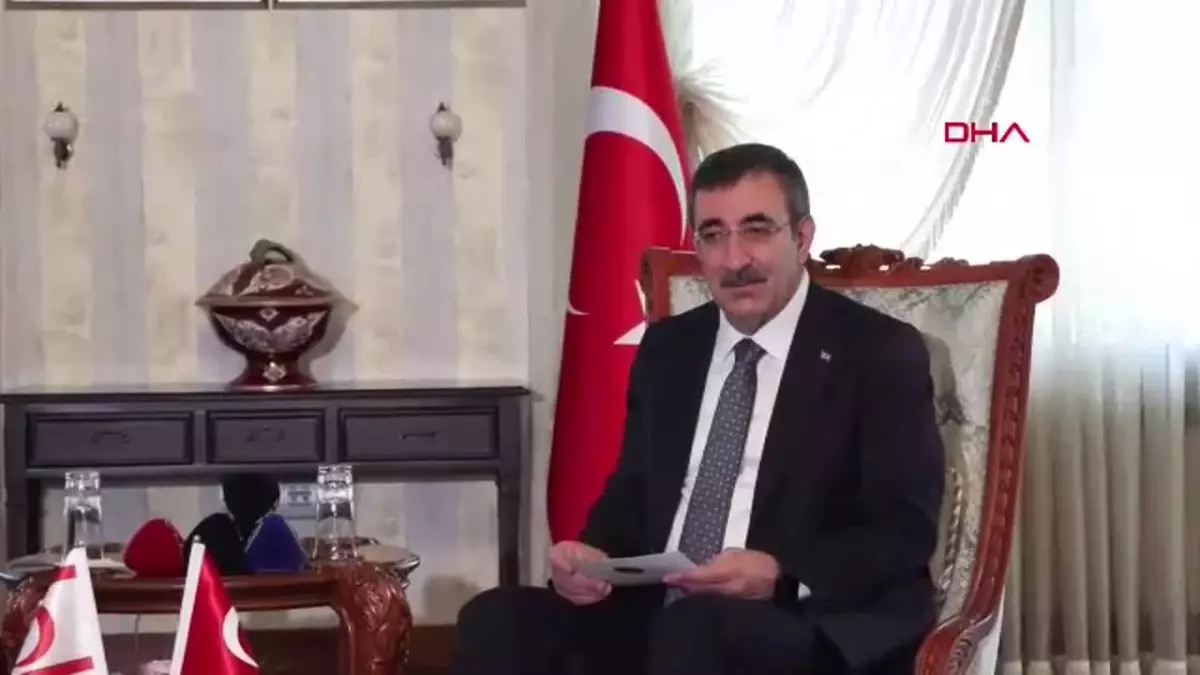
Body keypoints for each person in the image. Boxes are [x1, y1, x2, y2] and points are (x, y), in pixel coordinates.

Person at [451, 142, 946, 675]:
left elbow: (903, 527)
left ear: (802, 238)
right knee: (497, 618)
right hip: (658, 612)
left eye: (756, 230)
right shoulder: (670, 347)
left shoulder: (876, 352)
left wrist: (780, 573)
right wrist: (592, 556)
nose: (735, 260)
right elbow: (633, 490)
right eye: (713, 235)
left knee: (696, 631)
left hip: (799, 616)